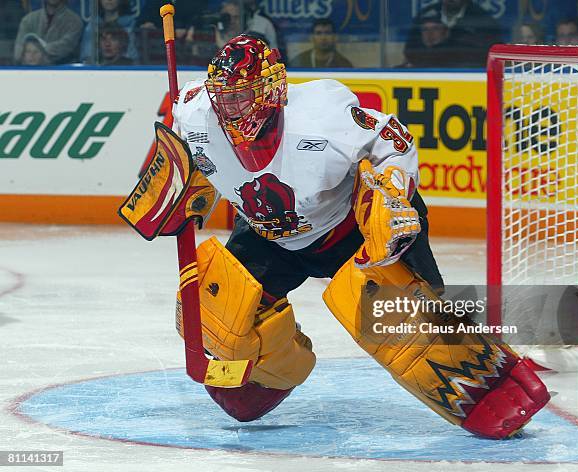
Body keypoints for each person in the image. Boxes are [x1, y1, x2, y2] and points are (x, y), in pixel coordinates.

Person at [161, 34, 550, 437]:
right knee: (216, 315)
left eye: (241, 98)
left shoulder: (323, 118)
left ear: (273, 90)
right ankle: (273, 375)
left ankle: (493, 386)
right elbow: (180, 148)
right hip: (271, 234)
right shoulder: (194, 113)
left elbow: (394, 141)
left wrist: (392, 197)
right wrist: (178, 180)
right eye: (224, 98)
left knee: (410, 329)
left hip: (351, 231)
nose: (229, 109)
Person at [13, 0, 83, 65]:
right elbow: (18, 52)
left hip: (62, 73)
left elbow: (66, 46)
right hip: (29, 73)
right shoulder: (28, 20)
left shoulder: (75, 21)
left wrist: (41, 52)